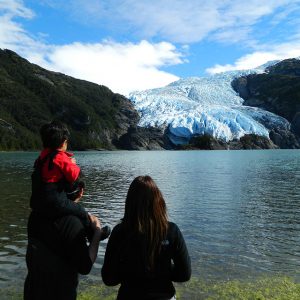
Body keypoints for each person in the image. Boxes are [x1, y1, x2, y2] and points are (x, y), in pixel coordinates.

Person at [101, 175, 191, 300]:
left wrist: (129, 273)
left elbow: (109, 279)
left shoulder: (119, 232)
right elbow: (184, 275)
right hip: (164, 295)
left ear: (129, 202)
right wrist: (163, 272)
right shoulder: (171, 231)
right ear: (158, 201)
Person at [24, 187, 103, 300]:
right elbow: (85, 267)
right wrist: (97, 232)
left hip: (32, 291)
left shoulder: (36, 214)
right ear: (81, 192)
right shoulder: (72, 223)